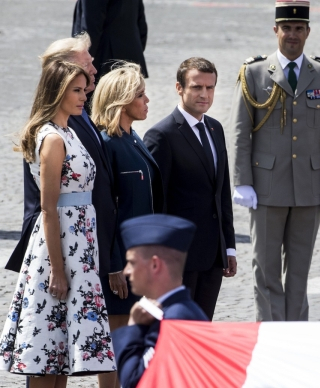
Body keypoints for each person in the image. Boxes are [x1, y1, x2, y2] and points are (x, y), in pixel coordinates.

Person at [0, 61, 115, 387]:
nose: (84, 96)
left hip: (80, 250)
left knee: (61, 353)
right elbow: (48, 208)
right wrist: (58, 269)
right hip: (59, 251)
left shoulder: (69, 130)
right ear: (57, 92)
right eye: (75, 91)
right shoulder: (52, 138)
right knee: (45, 348)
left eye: (83, 89)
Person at [230, 0, 320, 321]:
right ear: (275, 30)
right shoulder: (254, 72)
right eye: (286, 28)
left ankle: (296, 333)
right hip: (266, 188)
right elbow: (241, 131)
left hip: (308, 188)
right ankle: (270, 333)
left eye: (298, 29)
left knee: (299, 270)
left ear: (307, 31)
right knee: (265, 270)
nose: (292, 35)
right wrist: (242, 181)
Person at [5, 34, 119, 315]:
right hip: (64, 241)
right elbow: (45, 205)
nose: (93, 69)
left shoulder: (76, 117)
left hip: (85, 239)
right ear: (62, 75)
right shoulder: (55, 130)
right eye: (86, 64)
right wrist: (55, 263)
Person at [143, 57, 236, 320]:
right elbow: (155, 203)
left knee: (202, 331)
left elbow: (221, 193)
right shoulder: (162, 136)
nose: (204, 94)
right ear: (179, 88)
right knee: (175, 333)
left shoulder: (215, 129)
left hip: (212, 256)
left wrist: (228, 246)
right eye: (196, 87)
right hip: (178, 259)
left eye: (210, 88)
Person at [91, 62, 163, 388]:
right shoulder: (107, 144)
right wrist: (114, 264)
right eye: (140, 95)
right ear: (121, 99)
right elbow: (105, 211)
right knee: (116, 343)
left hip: (140, 261)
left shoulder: (131, 138)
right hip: (120, 265)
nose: (147, 100)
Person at [112, 214, 208, 388]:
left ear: (155, 265)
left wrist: (134, 327)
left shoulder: (174, 320)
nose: (126, 271)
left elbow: (135, 381)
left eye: (132, 263)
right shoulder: (178, 311)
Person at [72, 0, 148, 80]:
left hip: (104, 62)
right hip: (131, 60)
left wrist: (83, 62)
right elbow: (141, 25)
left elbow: (90, 30)